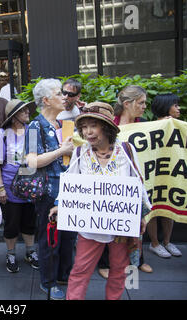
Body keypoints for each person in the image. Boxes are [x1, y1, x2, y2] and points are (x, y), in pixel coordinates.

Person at [50, 102, 150, 300]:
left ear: (106, 127)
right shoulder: (80, 153)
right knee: (80, 269)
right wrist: (59, 205)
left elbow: (137, 184)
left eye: (93, 126)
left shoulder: (126, 151)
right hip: (90, 226)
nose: (88, 132)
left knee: (120, 268)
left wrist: (140, 216)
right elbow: (71, 183)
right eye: (84, 127)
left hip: (120, 226)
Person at [24, 79, 75, 300]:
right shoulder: (35, 126)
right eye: (59, 93)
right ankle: (49, 282)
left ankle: (63, 275)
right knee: (50, 238)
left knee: (68, 238)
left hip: (68, 189)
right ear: (45, 100)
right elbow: (32, 161)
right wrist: (61, 150)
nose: (65, 96)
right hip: (48, 192)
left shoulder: (64, 125)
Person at [95, 85, 153, 278]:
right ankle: (105, 263)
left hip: (136, 181)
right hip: (111, 181)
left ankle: (138, 261)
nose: (145, 106)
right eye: (141, 102)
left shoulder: (145, 124)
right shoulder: (111, 124)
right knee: (108, 223)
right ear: (127, 104)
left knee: (137, 223)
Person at [0, 99, 38, 273]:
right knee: (11, 224)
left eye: (28, 110)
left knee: (29, 221)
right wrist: (0, 187)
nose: (28, 113)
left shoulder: (32, 132)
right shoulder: (2, 134)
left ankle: (30, 251)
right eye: (23, 111)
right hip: (10, 187)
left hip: (30, 186)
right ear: (13, 116)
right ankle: (11, 253)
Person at [146, 93, 182, 258]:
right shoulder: (150, 126)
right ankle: (155, 243)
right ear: (165, 107)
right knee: (153, 208)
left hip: (171, 173)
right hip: (154, 173)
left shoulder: (180, 126)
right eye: (175, 105)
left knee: (168, 206)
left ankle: (167, 242)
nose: (178, 108)